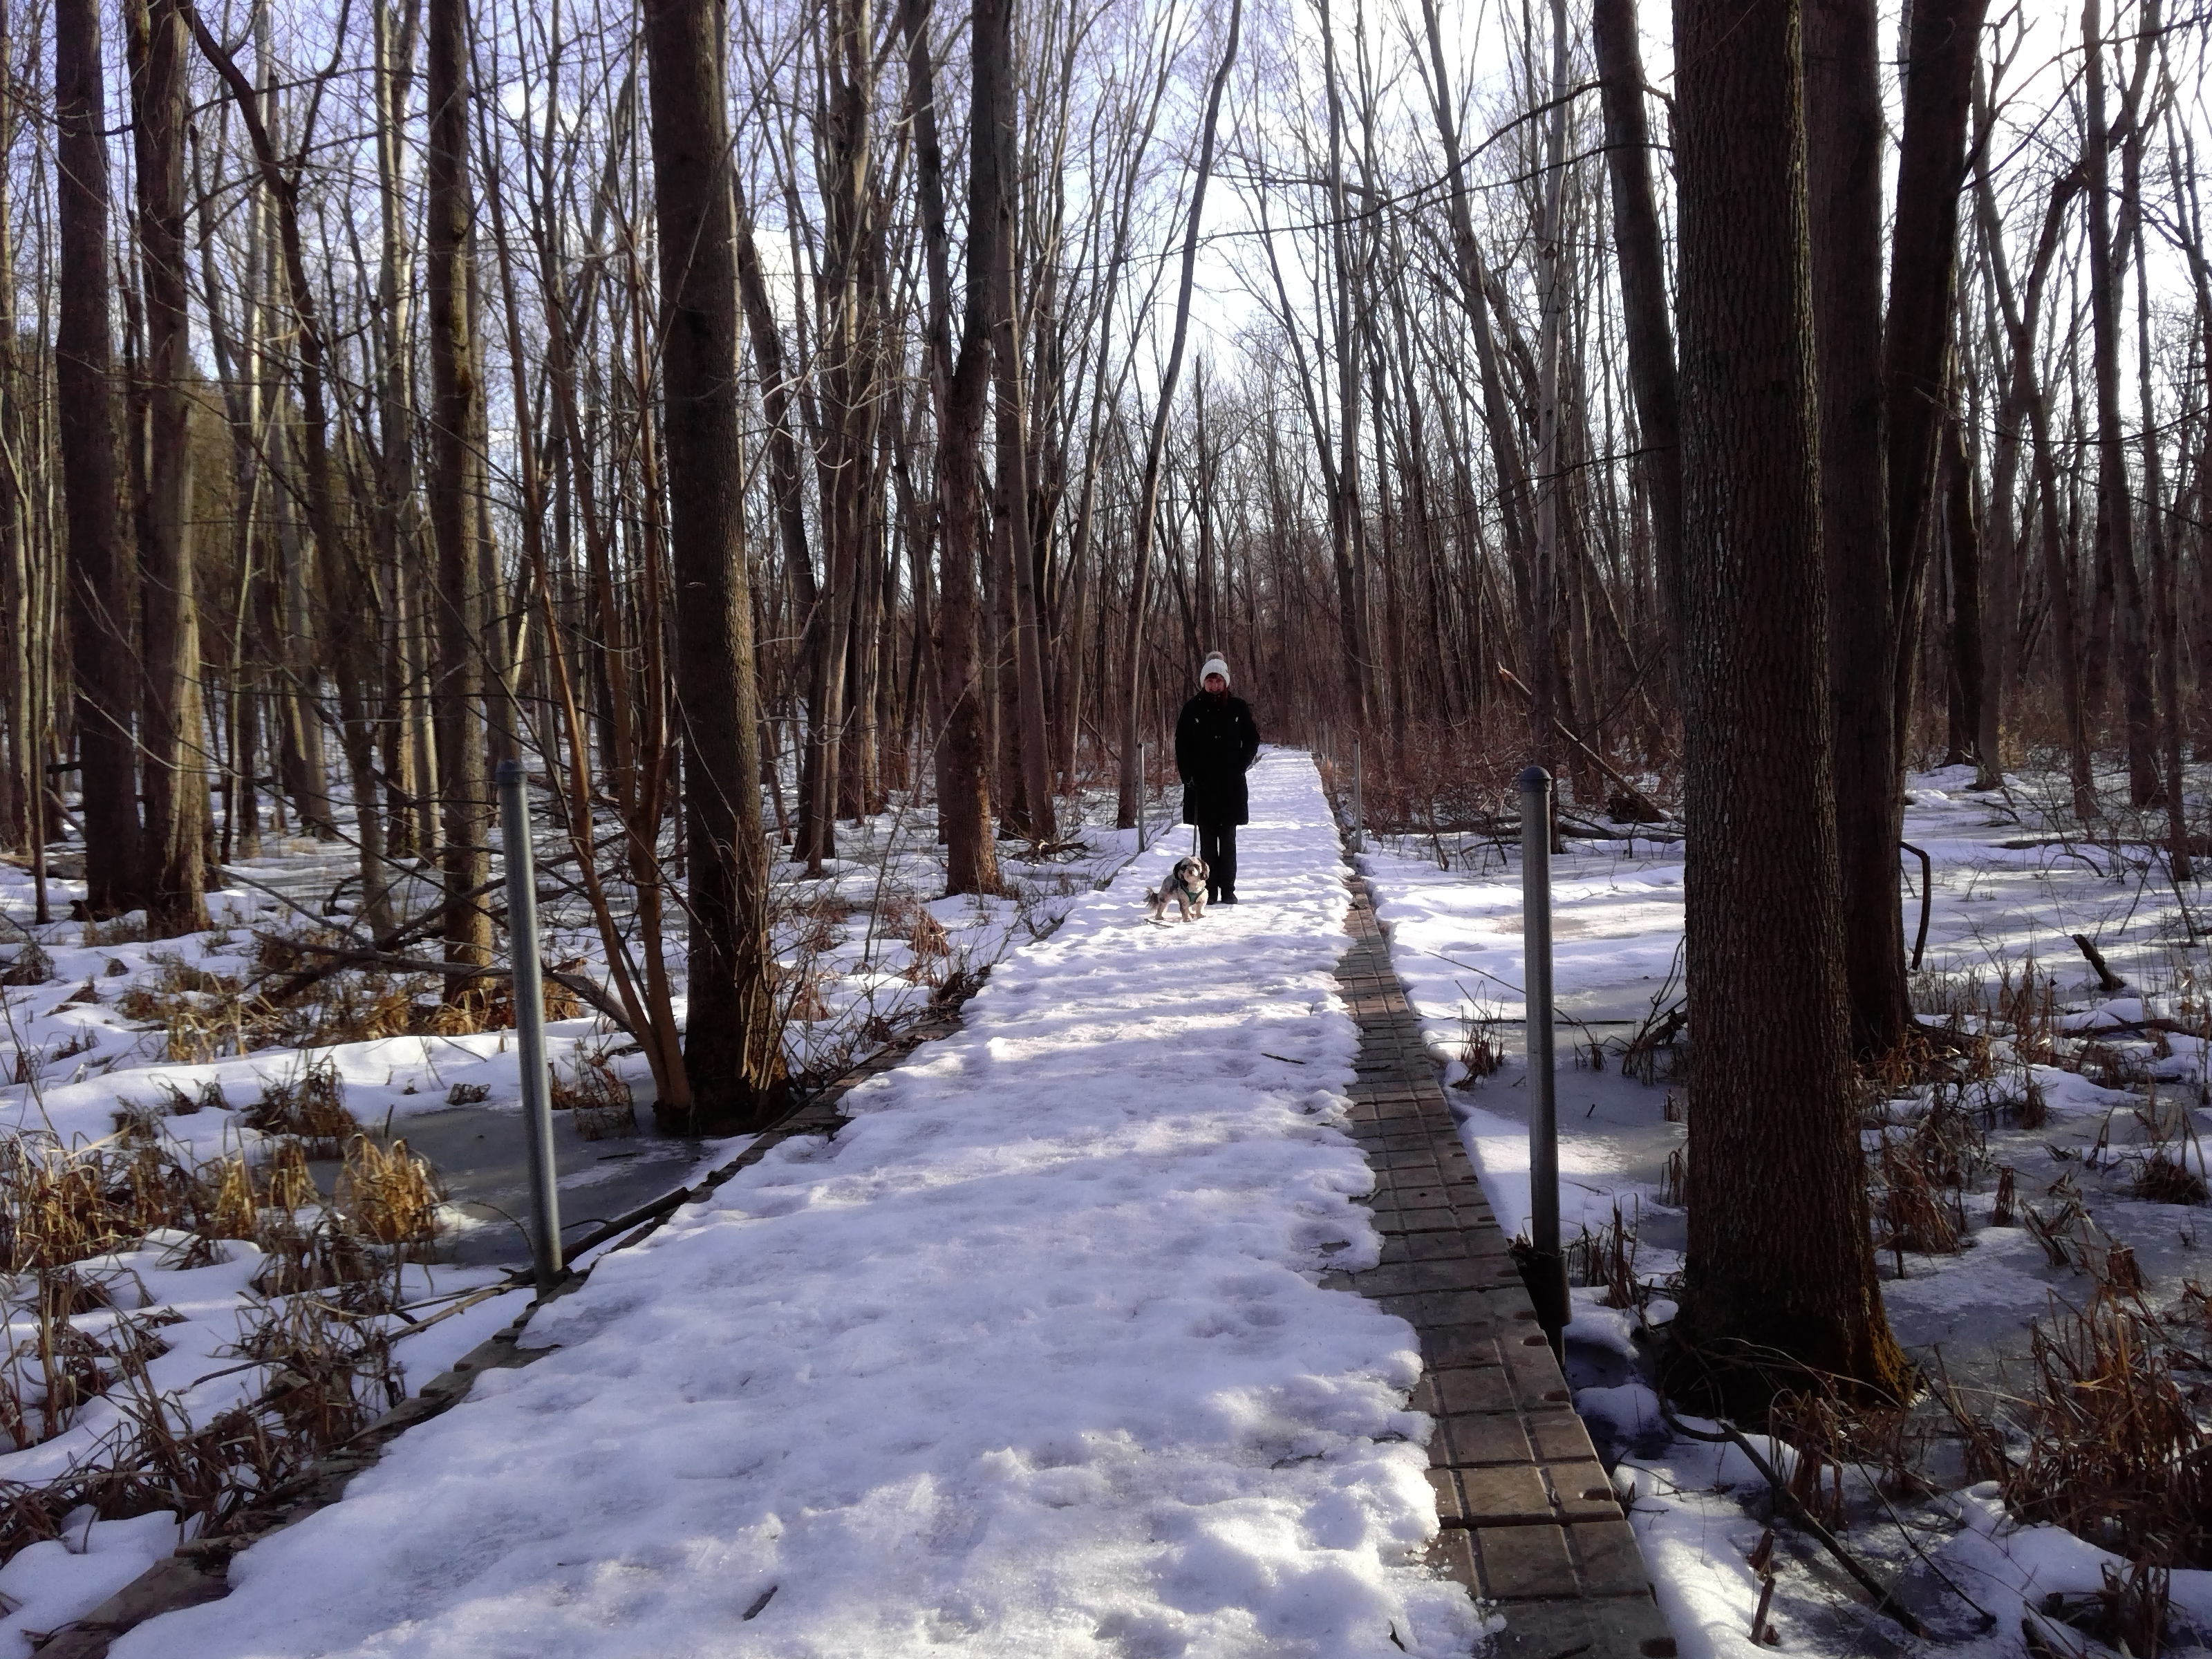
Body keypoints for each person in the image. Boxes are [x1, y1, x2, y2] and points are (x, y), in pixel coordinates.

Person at [1175, 653, 1260, 905]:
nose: (1214, 685)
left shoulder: (1238, 707)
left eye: (1218, 680)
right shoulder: (1192, 709)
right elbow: (1182, 745)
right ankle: (1208, 891)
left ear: (1226, 682)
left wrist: (1241, 764)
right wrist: (1187, 776)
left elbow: (1253, 739)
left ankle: (1229, 890)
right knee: (1208, 844)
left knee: (1229, 842)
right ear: (1203, 682)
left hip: (1231, 785)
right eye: (1210, 680)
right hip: (1201, 787)